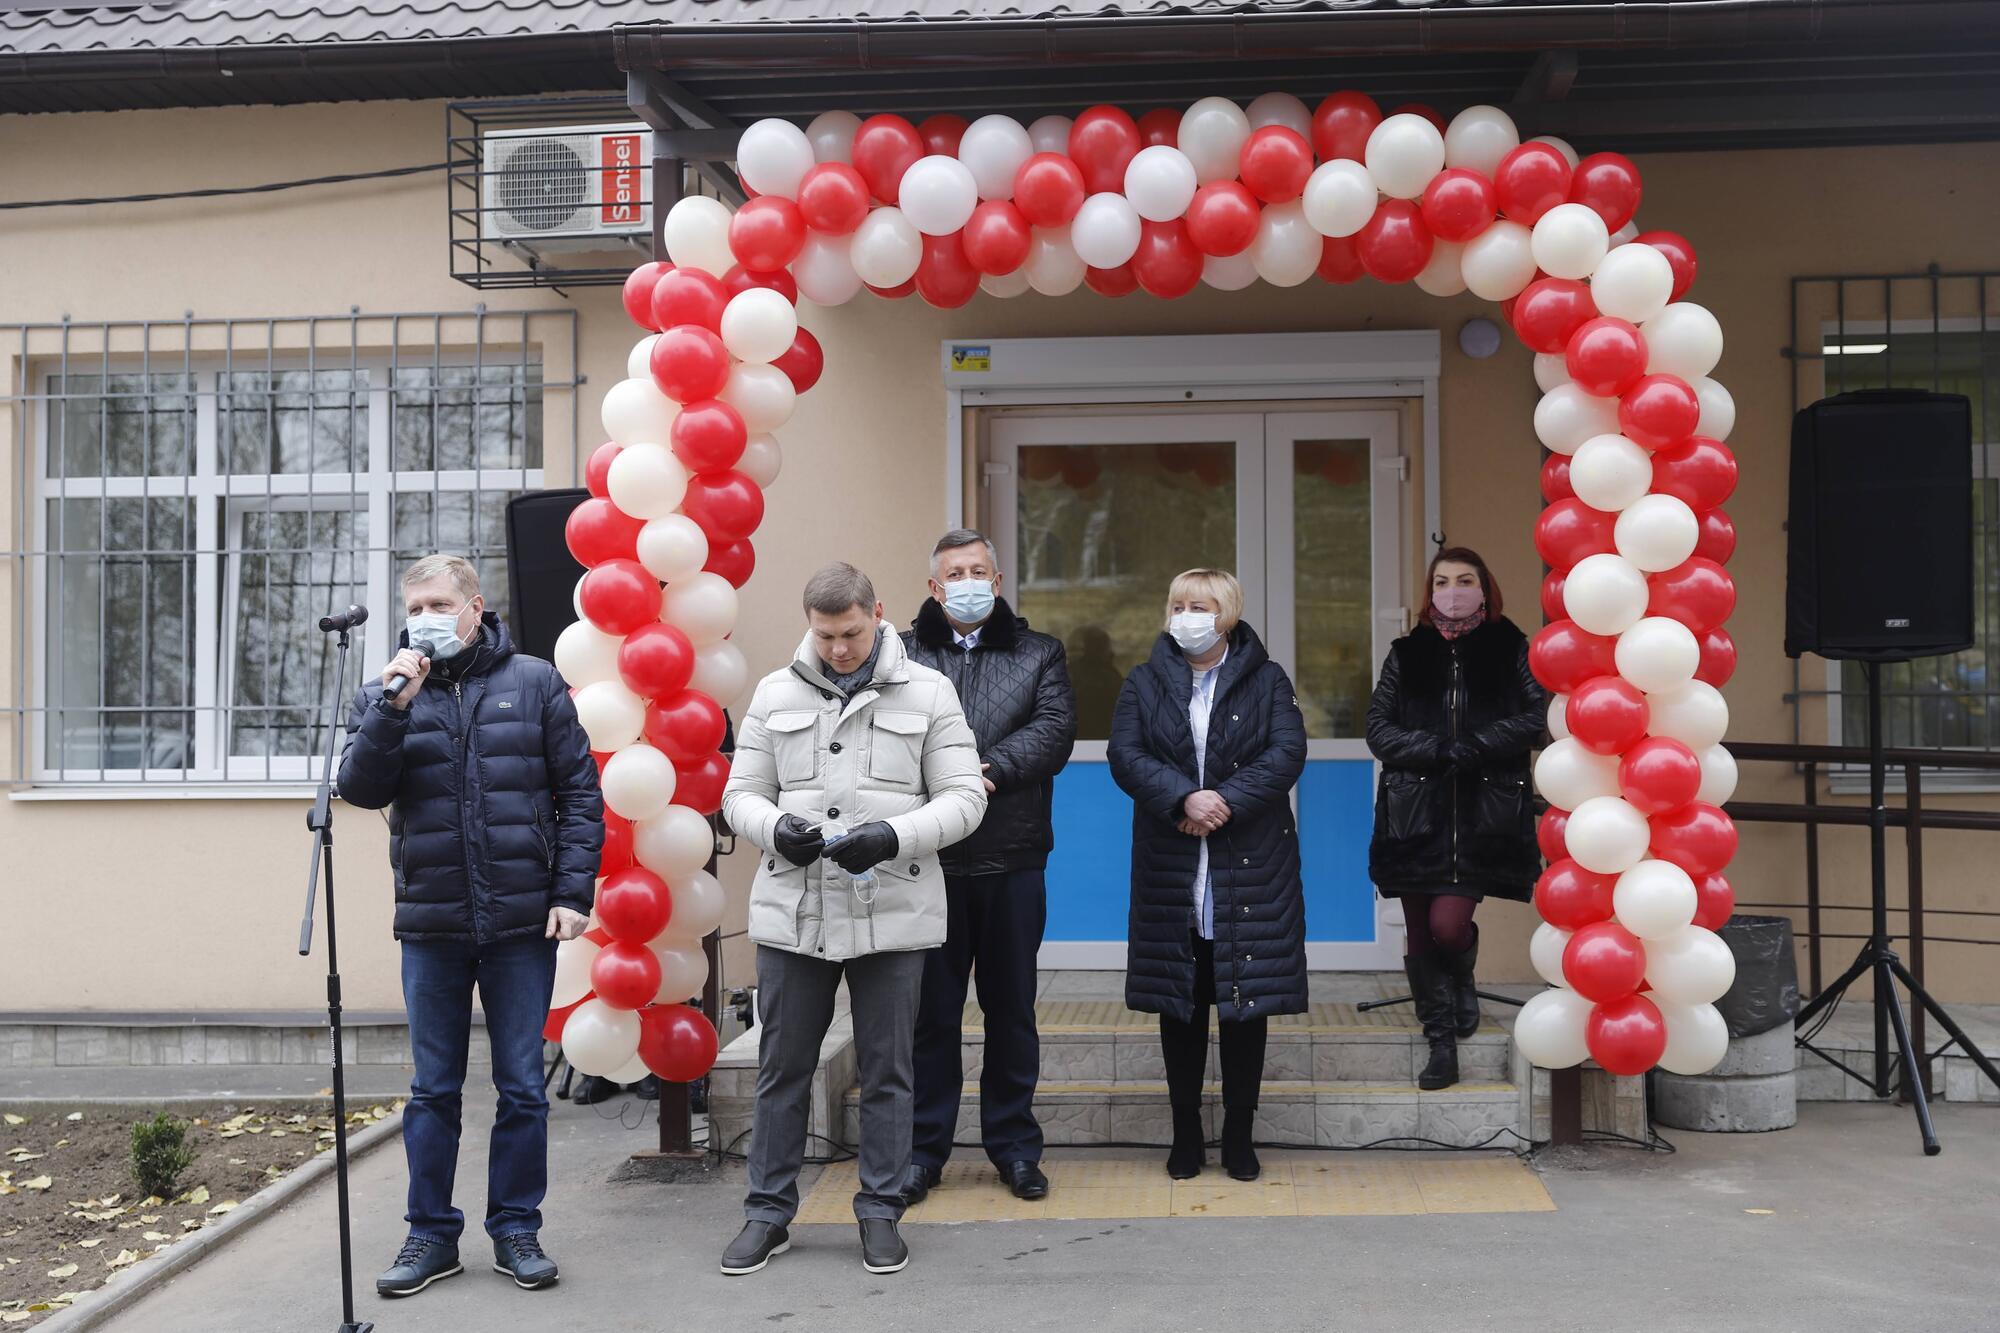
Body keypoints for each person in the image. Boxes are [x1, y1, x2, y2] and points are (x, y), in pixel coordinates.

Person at [337, 554, 601, 1298]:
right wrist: (393, 709)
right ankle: (431, 1232)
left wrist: (571, 890)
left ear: (475, 606)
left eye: (438, 601)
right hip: (433, 922)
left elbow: (580, 793)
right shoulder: (385, 693)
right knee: (433, 1089)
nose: (424, 614)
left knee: (521, 1084)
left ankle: (517, 1226)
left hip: (522, 921)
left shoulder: (535, 681)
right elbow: (359, 789)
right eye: (414, 603)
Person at [719, 563, 987, 1278]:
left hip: (893, 906)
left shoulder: (930, 690)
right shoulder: (775, 691)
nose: (839, 647)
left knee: (890, 1068)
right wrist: (776, 827)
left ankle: (879, 1211)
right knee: (782, 1068)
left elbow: (965, 797)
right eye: (825, 634)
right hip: (795, 908)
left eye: (852, 632)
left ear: (880, 612)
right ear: (809, 623)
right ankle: (767, 1214)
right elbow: (740, 793)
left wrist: (893, 836)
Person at [1108, 569, 1306, 1183]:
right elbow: (1126, 754)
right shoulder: (1143, 682)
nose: (1187, 615)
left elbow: (1287, 750)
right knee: (1183, 1003)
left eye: (1201, 605)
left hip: (1251, 862)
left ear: (1227, 614)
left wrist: (1222, 800)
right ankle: (1186, 1132)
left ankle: (1240, 1135)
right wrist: (1184, 799)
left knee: (1246, 1005)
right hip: (1173, 862)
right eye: (1178, 605)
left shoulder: (1267, 680)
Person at [900, 529, 1077, 1205]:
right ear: (934, 587)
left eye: (981, 569)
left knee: (1011, 1011)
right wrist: (943, 776)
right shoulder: (905, 655)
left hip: (1012, 856)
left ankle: (1014, 1147)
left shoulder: (1040, 653)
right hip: (928, 861)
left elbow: (1055, 729)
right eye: (956, 571)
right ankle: (923, 1151)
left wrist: (988, 769)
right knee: (932, 1016)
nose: (969, 580)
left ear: (997, 582)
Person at [1366, 546, 1546, 1091]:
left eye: (1465, 579)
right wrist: (1437, 748)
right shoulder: (1406, 653)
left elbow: (1536, 717)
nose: (1453, 590)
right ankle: (1439, 1043)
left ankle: (1462, 974)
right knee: (1420, 929)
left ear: (1484, 588)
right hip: (1413, 814)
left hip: (1480, 813)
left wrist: (1477, 745)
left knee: (1449, 924)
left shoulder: (1512, 647)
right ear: (1431, 592)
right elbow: (1379, 728)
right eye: (1442, 581)